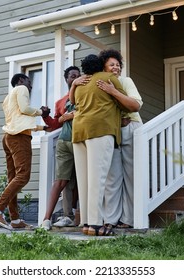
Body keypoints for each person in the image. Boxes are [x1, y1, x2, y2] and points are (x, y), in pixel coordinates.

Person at [69, 54, 129, 236]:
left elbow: (72, 103)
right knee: (98, 179)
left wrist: (73, 85)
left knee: (85, 180)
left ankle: (87, 223)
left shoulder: (79, 83)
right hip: (100, 131)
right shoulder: (108, 78)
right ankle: (96, 225)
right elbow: (126, 105)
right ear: (101, 66)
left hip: (79, 132)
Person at [0, 73, 50, 230]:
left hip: (9, 137)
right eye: (30, 82)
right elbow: (25, 109)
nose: (31, 86)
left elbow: (19, 121)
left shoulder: (8, 98)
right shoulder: (21, 88)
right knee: (23, 176)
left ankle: (15, 220)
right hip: (19, 138)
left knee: (13, 179)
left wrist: (42, 127)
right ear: (21, 81)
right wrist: (42, 112)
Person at [97, 49, 143, 229]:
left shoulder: (125, 81)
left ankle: (129, 219)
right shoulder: (98, 83)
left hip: (131, 129)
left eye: (118, 65)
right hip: (111, 133)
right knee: (112, 177)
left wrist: (113, 91)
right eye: (111, 64)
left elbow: (135, 105)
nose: (116, 68)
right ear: (104, 67)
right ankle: (110, 219)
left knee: (131, 176)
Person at [40, 66, 81, 230]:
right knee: (64, 182)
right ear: (67, 79)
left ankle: (78, 214)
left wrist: (70, 115)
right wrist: (46, 116)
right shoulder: (60, 102)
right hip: (65, 141)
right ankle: (50, 218)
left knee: (79, 181)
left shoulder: (85, 95)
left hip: (81, 141)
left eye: (78, 76)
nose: (76, 78)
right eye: (72, 76)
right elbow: (55, 125)